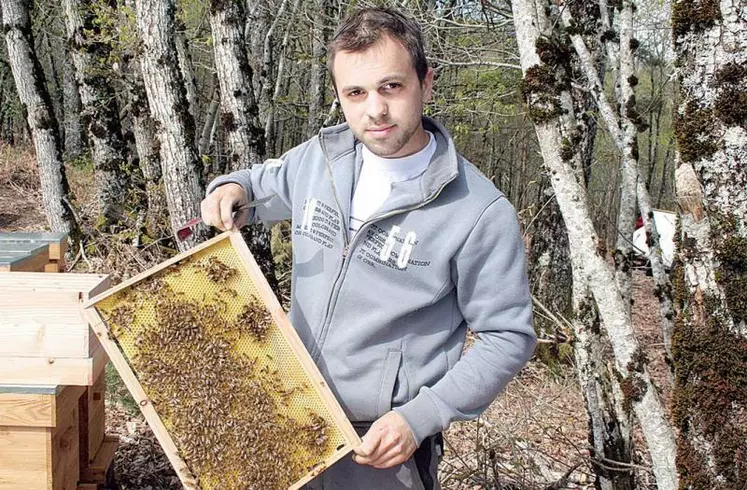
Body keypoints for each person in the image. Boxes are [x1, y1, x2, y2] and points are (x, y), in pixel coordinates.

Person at [201, 7, 535, 489]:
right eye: (355, 93)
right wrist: (231, 189)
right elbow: (257, 186)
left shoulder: (478, 211)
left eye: (391, 87)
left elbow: (508, 337)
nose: (374, 109)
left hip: (377, 447)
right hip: (284, 408)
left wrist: (422, 416)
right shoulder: (322, 158)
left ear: (426, 82)